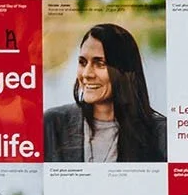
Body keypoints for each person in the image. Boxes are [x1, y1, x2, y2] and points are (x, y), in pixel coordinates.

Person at [44, 23, 167, 163]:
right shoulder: (52, 124)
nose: (86, 74)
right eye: (83, 62)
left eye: (100, 64)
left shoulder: (161, 134)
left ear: (125, 71)